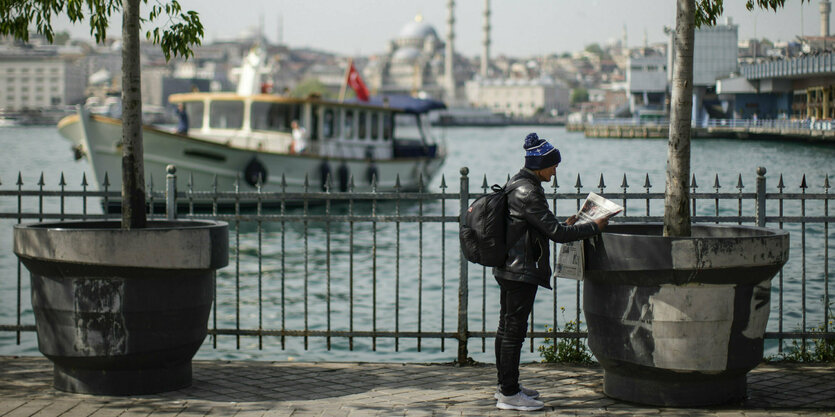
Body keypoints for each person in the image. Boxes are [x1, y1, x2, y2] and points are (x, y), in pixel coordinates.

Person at [492, 132, 608, 412]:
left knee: (506, 329)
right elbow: (556, 234)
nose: (556, 171)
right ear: (540, 164)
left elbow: (536, 224)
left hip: (509, 267)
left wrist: (564, 223)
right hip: (520, 271)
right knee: (513, 333)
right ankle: (508, 394)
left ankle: (507, 385)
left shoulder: (519, 184)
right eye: (553, 165)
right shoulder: (528, 191)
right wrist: (594, 226)